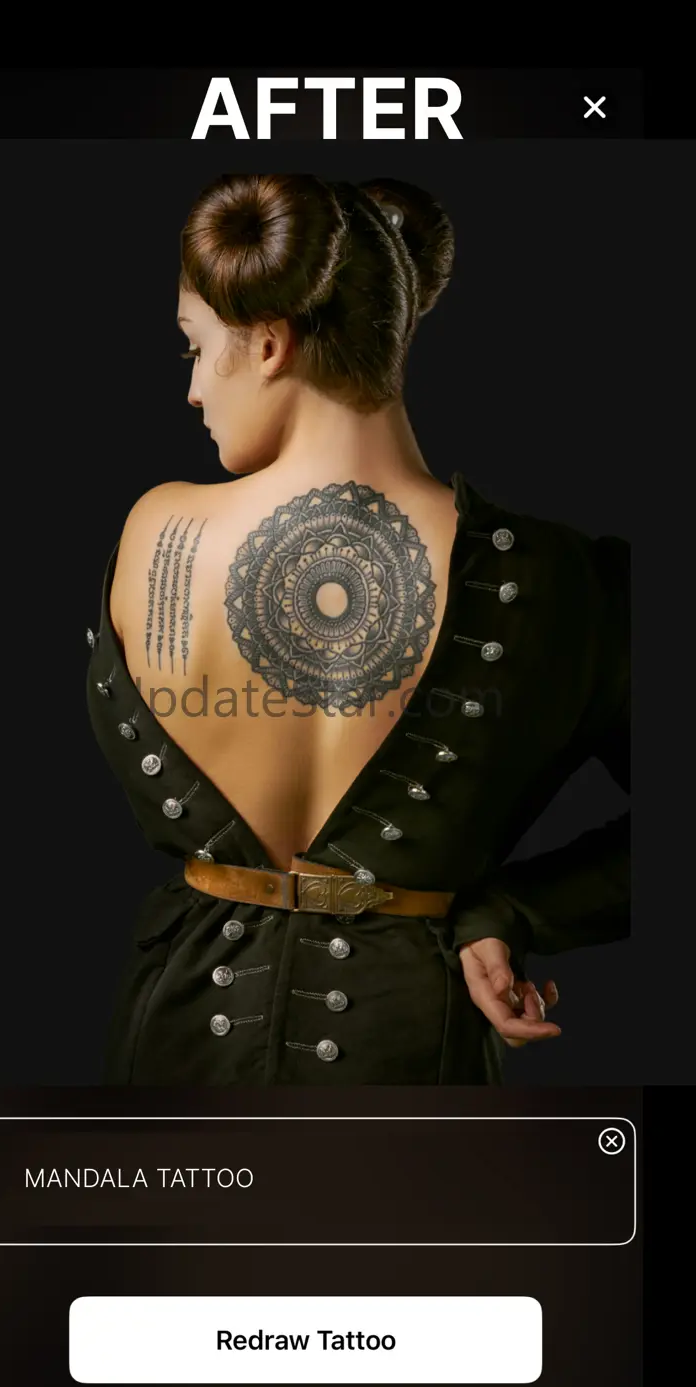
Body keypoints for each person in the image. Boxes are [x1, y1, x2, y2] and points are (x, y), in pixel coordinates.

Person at [86, 172, 629, 1085]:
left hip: (180, 1046)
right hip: (412, 1048)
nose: (191, 390)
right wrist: (512, 913)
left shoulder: (159, 533)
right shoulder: (563, 577)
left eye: (194, 347)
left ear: (269, 342)